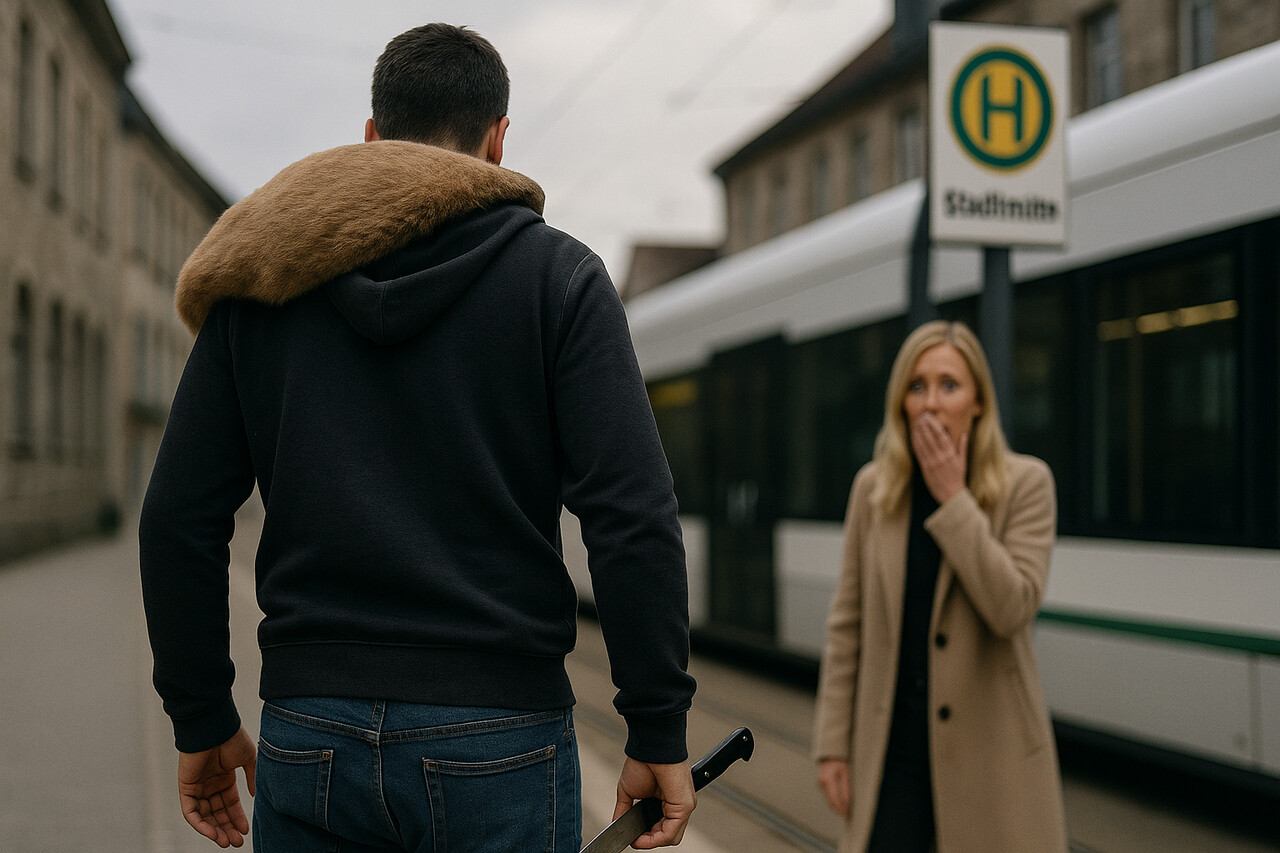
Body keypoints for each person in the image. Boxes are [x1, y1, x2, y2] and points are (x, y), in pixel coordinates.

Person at [139, 23, 696, 852]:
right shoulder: (561, 280)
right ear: (499, 142)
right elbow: (632, 517)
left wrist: (201, 714)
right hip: (501, 732)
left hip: (309, 723)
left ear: (371, 137)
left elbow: (176, 518)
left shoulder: (262, 286)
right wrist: (657, 727)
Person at [812, 320, 1067, 853]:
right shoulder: (875, 489)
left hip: (992, 760)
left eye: (949, 385)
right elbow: (847, 625)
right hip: (892, 755)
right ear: (900, 402)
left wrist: (954, 500)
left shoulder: (1027, 484)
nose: (931, 403)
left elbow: (1013, 607)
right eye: (917, 386)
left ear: (978, 402)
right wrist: (833, 743)